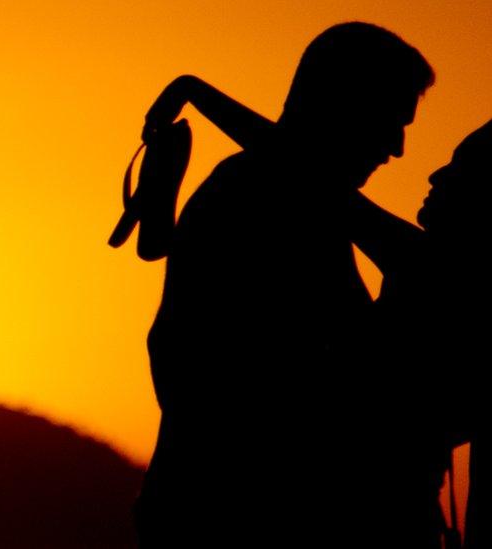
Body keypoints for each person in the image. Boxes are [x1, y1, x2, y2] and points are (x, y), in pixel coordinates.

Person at [140, 76, 492, 548]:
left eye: (459, 169)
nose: (435, 175)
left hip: (349, 520)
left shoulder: (421, 263)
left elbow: (295, 164)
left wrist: (194, 91)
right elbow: (489, 475)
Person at [134, 23, 435, 547]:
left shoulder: (280, 191)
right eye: (392, 121)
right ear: (343, 103)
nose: (398, 148)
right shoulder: (273, 199)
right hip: (242, 515)